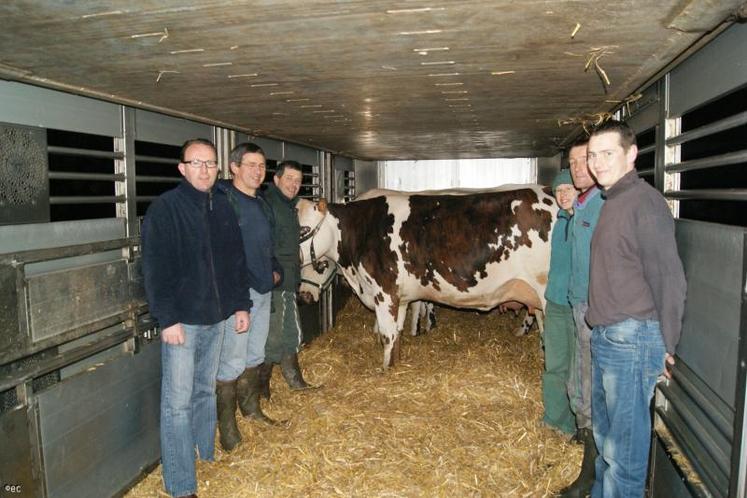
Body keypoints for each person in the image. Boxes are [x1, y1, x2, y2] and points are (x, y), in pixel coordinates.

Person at [141, 138, 251, 498]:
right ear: (182, 168)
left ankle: (205, 454)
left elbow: (235, 261)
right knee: (177, 403)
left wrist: (240, 305)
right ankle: (181, 484)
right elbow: (155, 269)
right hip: (183, 322)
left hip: (217, 317)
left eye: (210, 163)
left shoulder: (222, 205)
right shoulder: (165, 209)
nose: (204, 170)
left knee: (205, 391)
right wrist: (167, 318)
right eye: (197, 163)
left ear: (218, 168)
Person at [586, 120, 686, 497]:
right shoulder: (613, 201)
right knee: (606, 444)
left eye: (607, 154)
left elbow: (670, 278)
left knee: (623, 457)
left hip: (632, 340)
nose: (598, 163)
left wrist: (669, 344)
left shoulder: (645, 204)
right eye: (593, 155)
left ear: (631, 154)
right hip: (609, 337)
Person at [214, 143, 285, 451]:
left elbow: (266, 244)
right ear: (234, 167)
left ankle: (252, 410)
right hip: (237, 294)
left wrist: (276, 269)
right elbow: (223, 252)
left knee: (255, 354)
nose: (259, 171)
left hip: (262, 288)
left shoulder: (261, 203)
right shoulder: (224, 201)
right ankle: (228, 431)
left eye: (262, 165)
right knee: (231, 358)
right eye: (251, 165)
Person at [559, 135, 604, 498]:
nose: (578, 168)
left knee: (590, 384)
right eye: (572, 163)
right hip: (579, 303)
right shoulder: (583, 204)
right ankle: (583, 439)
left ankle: (588, 476)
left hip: (596, 307)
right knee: (578, 377)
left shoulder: (605, 204)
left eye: (583, 161)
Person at [258, 159, 317, 397]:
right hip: (275, 283)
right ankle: (261, 390)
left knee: (291, 332)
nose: (294, 184)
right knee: (273, 338)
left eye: (298, 181)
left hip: (288, 280)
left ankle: (295, 380)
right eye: (289, 179)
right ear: (276, 179)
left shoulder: (288, 205)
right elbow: (265, 246)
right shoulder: (269, 205)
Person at [541, 169, 578, 435]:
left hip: (578, 306)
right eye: (558, 191)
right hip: (555, 303)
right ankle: (555, 421)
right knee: (554, 365)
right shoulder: (560, 222)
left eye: (568, 189)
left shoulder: (586, 222)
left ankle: (577, 425)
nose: (563, 195)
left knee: (578, 369)